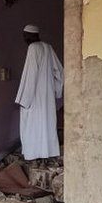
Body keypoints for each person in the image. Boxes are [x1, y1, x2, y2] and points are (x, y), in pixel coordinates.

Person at [15, 24, 64, 160]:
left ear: (32, 35)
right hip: (47, 98)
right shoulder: (48, 48)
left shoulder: (33, 48)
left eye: (25, 35)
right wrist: (56, 92)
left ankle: (34, 159)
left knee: (32, 127)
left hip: (34, 98)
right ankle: (46, 158)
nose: (24, 38)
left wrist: (24, 100)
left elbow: (30, 75)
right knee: (46, 127)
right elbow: (59, 71)